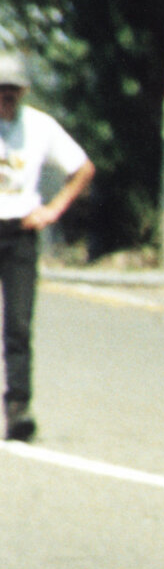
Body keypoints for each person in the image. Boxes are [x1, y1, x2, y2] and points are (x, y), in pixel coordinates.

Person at [0, 53, 92, 441]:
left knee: (19, 324)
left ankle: (19, 407)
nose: (7, 99)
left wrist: (53, 209)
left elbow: (82, 168)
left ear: (23, 92)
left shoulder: (39, 127)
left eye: (13, 92)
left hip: (21, 231)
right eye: (1, 91)